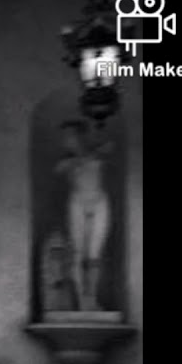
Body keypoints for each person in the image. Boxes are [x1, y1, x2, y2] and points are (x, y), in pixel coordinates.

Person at [55, 120, 113, 311]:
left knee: (94, 255)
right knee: (78, 253)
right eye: (64, 137)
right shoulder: (67, 160)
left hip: (99, 202)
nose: (65, 140)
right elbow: (60, 168)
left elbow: (109, 148)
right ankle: (82, 302)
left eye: (68, 136)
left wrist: (89, 155)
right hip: (78, 204)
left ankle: (92, 299)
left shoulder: (96, 152)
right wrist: (82, 158)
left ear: (79, 136)